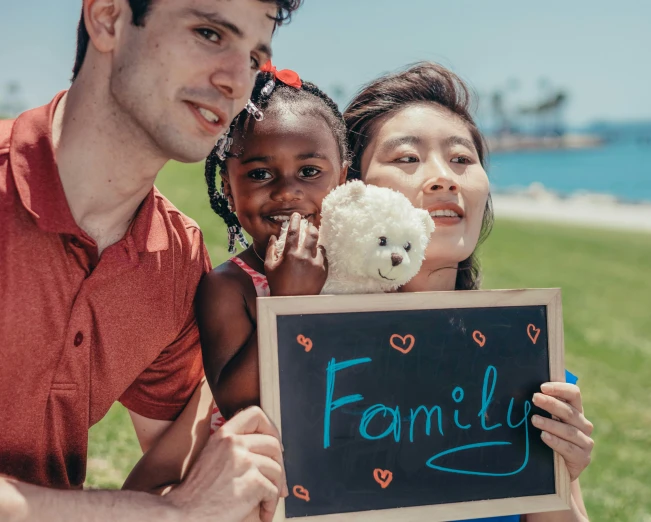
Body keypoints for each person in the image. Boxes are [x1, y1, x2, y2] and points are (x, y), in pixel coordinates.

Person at [0, 0, 301, 520]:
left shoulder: (176, 258)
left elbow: (188, 475)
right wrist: (170, 513)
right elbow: (180, 506)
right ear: (109, 18)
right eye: (209, 33)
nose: (236, 82)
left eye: (254, 58)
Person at [342, 61, 593, 522]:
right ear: (352, 190)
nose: (444, 178)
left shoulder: (527, 370)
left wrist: (560, 478)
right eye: (407, 159)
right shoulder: (309, 359)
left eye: (461, 159)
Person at [121, 63, 349, 489]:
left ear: (345, 178)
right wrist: (285, 305)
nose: (287, 191)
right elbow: (239, 403)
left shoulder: (359, 274)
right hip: (261, 479)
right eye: (260, 174)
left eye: (310, 171)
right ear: (228, 187)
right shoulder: (230, 286)